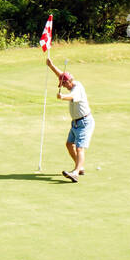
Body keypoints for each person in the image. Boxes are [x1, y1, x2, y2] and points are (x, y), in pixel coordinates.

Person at [45, 50, 92, 182]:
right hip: (75, 123)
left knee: (79, 147)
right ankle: (80, 167)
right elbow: (61, 75)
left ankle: (76, 172)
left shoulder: (77, 88)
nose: (63, 87)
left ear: (69, 82)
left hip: (84, 122)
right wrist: (51, 65)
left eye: (64, 84)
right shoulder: (70, 82)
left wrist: (62, 97)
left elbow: (72, 97)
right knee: (69, 144)